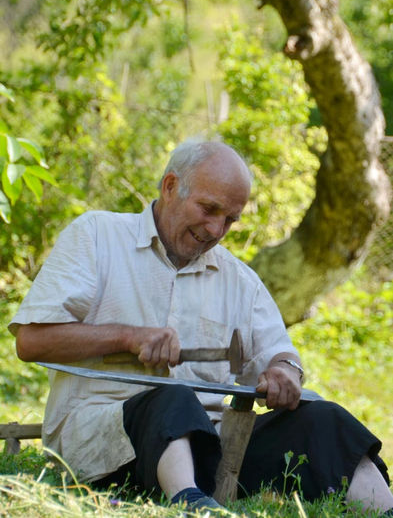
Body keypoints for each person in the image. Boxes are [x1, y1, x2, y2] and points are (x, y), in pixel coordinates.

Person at [9, 139, 393, 515]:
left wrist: (283, 371)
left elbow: (280, 353)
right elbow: (31, 340)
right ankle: (191, 505)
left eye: (230, 219)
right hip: (101, 440)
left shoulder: (238, 279)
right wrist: (128, 336)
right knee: (172, 395)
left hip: (210, 447)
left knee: (322, 417)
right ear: (170, 186)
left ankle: (384, 508)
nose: (216, 229)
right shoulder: (97, 235)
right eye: (208, 209)